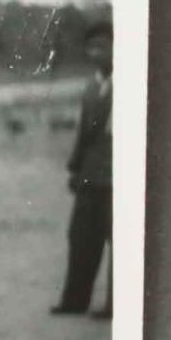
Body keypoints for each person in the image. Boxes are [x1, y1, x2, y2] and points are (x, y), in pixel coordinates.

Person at [51, 19, 113, 319]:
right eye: (90, 47)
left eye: (102, 46)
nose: (95, 53)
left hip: (119, 176)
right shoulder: (92, 87)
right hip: (91, 172)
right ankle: (75, 299)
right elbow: (84, 135)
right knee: (80, 236)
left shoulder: (136, 83)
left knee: (121, 239)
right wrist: (75, 169)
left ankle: (116, 305)